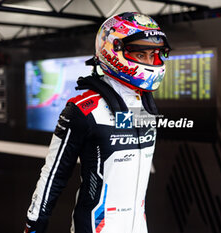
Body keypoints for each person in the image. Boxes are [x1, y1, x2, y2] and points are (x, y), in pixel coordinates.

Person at [24, 12, 171, 233]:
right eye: (141, 54)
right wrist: (34, 224)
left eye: (154, 54)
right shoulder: (84, 108)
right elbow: (53, 175)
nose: (150, 62)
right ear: (113, 50)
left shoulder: (146, 104)